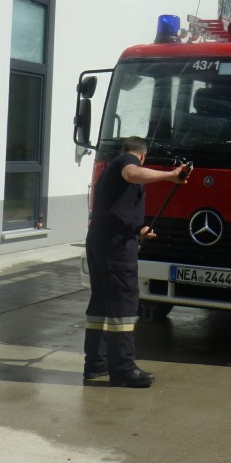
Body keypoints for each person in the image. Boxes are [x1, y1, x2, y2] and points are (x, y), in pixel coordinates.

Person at [84, 137, 189, 388]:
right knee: (123, 305)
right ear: (143, 156)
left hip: (102, 242)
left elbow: (115, 211)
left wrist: (138, 231)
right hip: (116, 248)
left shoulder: (112, 170)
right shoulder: (127, 161)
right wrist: (170, 175)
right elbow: (132, 173)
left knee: (101, 304)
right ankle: (123, 369)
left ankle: (96, 365)